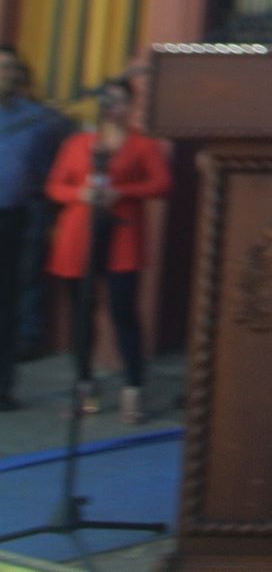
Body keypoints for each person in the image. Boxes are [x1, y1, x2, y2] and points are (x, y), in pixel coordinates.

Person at [44, 76, 171, 424]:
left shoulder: (143, 145)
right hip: (78, 237)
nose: (110, 107)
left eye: (117, 100)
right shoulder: (77, 143)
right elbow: (55, 185)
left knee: (123, 311)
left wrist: (123, 191)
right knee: (82, 314)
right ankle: (85, 383)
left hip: (121, 238)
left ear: (130, 105)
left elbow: (162, 184)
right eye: (106, 100)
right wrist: (78, 195)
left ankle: (133, 387)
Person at [1, 47, 69, 410]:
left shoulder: (40, 121)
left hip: (17, 217)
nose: (5, 75)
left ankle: (2, 386)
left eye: (10, 69)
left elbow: (68, 151)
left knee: (8, 302)